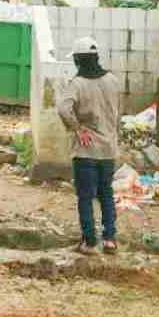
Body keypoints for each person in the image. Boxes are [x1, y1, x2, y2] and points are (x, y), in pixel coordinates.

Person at [57, 36, 122, 255]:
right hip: (108, 150)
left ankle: (89, 242)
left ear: (78, 60)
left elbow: (64, 109)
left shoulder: (77, 84)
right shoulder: (113, 80)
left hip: (86, 150)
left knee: (85, 197)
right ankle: (110, 239)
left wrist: (77, 128)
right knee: (106, 194)